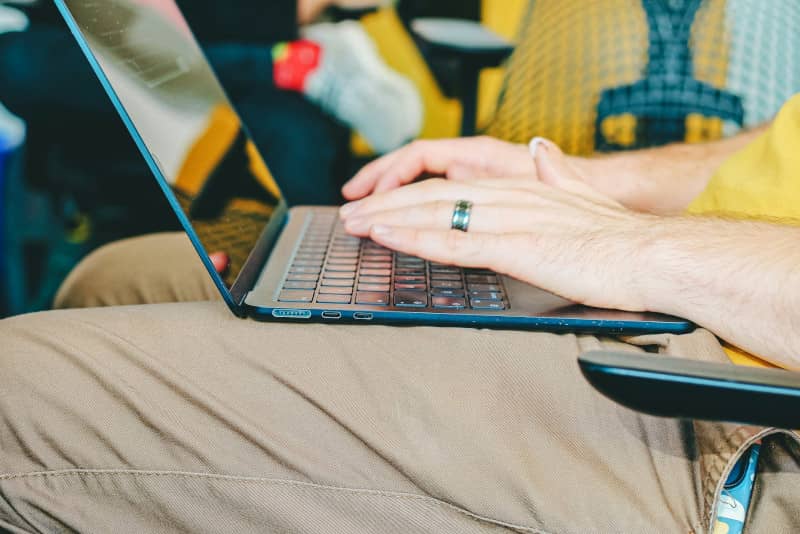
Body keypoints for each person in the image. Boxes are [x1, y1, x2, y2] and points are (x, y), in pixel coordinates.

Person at [2, 83, 800, 532]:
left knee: (16, 398)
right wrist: (598, 187)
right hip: (708, 287)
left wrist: (634, 249)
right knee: (115, 277)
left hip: (740, 409)